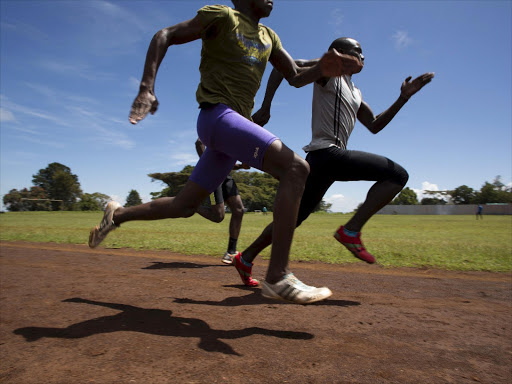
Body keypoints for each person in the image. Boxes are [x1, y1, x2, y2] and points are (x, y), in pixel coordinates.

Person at [88, 1, 363, 304]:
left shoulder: (269, 36)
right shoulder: (222, 16)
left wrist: (323, 68)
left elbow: (296, 76)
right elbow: (163, 34)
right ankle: (277, 276)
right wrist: (146, 87)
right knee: (296, 168)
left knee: (184, 205)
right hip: (217, 116)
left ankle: (117, 215)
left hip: (230, 130)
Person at [238, 37, 434, 272]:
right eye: (357, 52)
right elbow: (284, 67)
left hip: (325, 161)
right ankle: (350, 231)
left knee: (294, 219)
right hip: (326, 154)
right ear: (338, 53)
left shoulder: (355, 91)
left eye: (363, 54)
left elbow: (374, 124)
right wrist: (266, 105)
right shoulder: (327, 71)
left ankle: (245, 258)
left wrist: (403, 97)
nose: (362, 57)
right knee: (397, 175)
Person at [194, 138, 248, 264]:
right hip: (212, 175)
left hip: (225, 176)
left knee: (239, 210)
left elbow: (226, 162)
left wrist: (241, 166)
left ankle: (231, 252)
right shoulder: (218, 126)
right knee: (218, 216)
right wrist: (208, 165)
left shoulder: (234, 140)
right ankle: (193, 205)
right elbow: (199, 142)